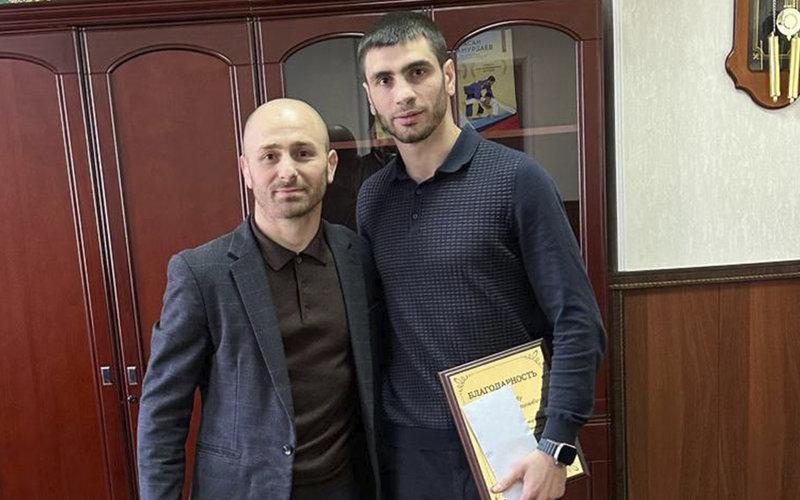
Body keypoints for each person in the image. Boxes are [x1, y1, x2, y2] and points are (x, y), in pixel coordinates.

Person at [355, 12, 606, 500]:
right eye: (384, 80)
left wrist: (556, 444)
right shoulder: (373, 200)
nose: (402, 93)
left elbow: (577, 321)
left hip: (510, 443)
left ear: (449, 76)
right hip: (408, 450)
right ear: (371, 96)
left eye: (417, 72)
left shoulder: (517, 180)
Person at [137, 99, 382, 500]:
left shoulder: (358, 256)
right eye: (270, 156)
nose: (287, 171)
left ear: (330, 165)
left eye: (303, 153)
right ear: (246, 171)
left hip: (347, 488)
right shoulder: (202, 274)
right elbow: (162, 414)